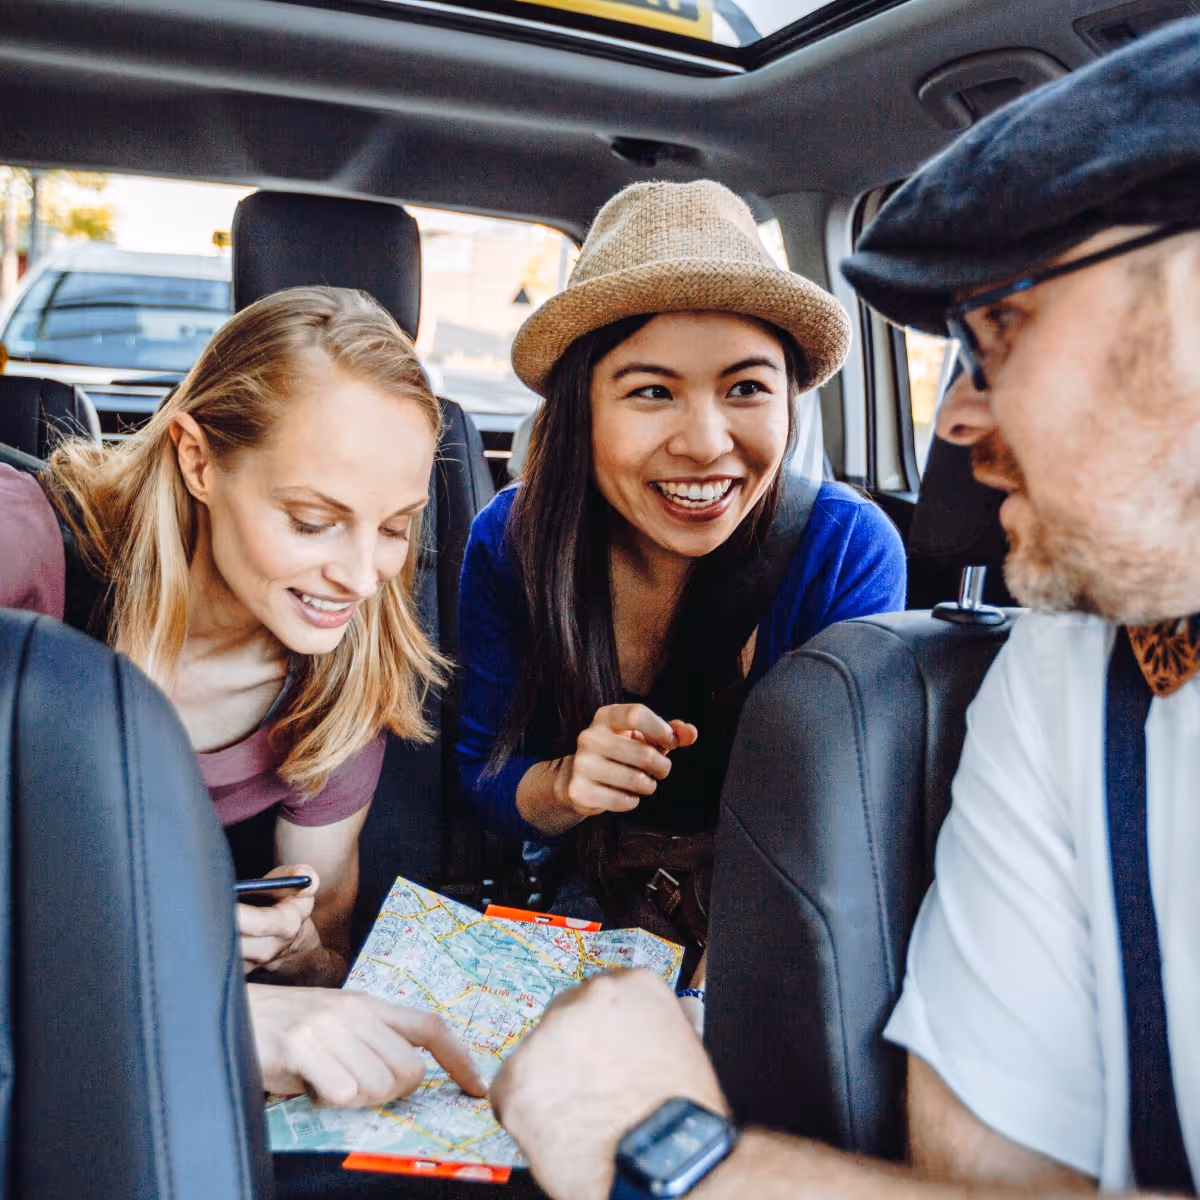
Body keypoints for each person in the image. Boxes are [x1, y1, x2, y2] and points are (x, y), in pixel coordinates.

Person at [489, 18, 1200, 1199]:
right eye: (650, 390)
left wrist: (680, 1156)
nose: (957, 423)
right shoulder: (1075, 679)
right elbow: (994, 1177)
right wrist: (558, 785)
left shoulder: (854, 565)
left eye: (1002, 329)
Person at [457, 180, 906, 984]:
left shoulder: (847, 547)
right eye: (652, 391)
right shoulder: (511, 540)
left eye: (746, 388)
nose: (706, 443)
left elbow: (851, 828)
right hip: (588, 905)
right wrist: (567, 782)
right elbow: (483, 775)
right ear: (581, 406)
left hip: (783, 924)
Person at [0, 285, 445, 987]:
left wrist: (296, 958)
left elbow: (326, 940)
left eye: (394, 527)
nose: (364, 577)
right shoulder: (20, 549)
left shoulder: (340, 676)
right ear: (199, 461)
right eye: (310, 521)